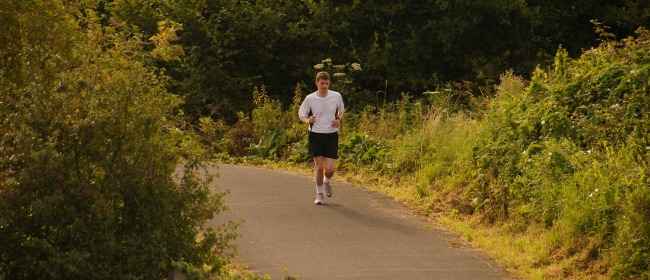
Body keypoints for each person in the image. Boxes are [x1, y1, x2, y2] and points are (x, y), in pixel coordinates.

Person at [298, 71, 344, 205]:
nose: (324, 86)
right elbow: (302, 115)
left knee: (330, 170)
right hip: (315, 134)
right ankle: (319, 195)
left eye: (327, 83)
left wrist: (339, 120)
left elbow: (341, 110)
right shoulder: (310, 99)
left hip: (331, 135)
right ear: (316, 83)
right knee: (319, 167)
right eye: (322, 83)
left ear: (329, 83)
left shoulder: (336, 96)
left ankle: (326, 181)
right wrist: (308, 120)